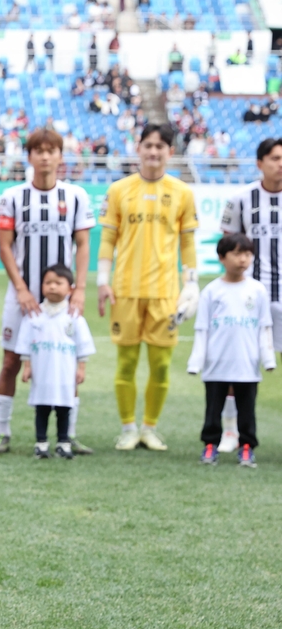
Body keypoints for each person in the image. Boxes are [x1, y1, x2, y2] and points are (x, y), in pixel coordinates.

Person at [0, 128, 95, 454]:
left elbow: (82, 244)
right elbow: (5, 247)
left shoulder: (76, 196)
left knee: (66, 361)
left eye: (52, 150)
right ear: (30, 156)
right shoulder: (12, 197)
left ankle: (68, 435)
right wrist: (21, 289)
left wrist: (78, 289)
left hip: (62, 300)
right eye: (39, 151)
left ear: (61, 156)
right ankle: (2, 432)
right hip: (22, 297)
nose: (46, 156)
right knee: (10, 362)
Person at [98, 124, 198, 451]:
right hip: (125, 289)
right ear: (138, 148)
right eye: (148, 145)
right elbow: (109, 239)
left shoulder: (183, 192)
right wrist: (102, 280)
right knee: (126, 363)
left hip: (166, 293)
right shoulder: (118, 190)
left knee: (162, 366)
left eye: (161, 146)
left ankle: (150, 427)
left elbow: (188, 242)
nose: (154, 152)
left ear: (170, 152)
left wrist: (191, 284)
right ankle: (128, 427)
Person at [216, 137, 282, 452]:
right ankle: (230, 431)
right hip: (249, 300)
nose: (280, 164)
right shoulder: (241, 200)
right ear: (259, 163)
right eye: (275, 158)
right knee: (235, 365)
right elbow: (228, 247)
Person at [187, 233, 273, 467]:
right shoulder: (212, 291)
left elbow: (264, 326)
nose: (243, 259)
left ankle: (246, 447)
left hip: (247, 363)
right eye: (236, 253)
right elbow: (202, 328)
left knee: (247, 408)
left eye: (247, 254)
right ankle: (210, 445)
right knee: (213, 407)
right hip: (217, 363)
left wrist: (267, 359)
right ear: (222, 257)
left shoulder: (257, 290)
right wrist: (196, 362)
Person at [16, 264, 95, 459]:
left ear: (70, 289)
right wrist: (27, 366)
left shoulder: (74, 316)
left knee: (64, 409)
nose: (52, 287)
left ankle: (63, 442)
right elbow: (25, 343)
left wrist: (81, 368)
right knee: (41, 409)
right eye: (48, 282)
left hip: (65, 374)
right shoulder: (35, 315)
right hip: (42, 374)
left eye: (58, 283)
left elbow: (83, 345)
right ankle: (41, 443)